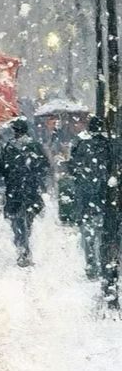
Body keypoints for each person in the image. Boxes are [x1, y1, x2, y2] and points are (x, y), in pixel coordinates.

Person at [0, 117, 50, 267]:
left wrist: (11, 176)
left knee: (17, 220)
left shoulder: (9, 147)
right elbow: (44, 166)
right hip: (30, 189)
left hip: (15, 189)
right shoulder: (34, 146)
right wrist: (35, 177)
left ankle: (22, 246)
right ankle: (24, 246)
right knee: (27, 218)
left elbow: (2, 168)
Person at [65, 116, 110, 280]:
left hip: (85, 195)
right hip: (103, 196)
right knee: (101, 231)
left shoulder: (79, 143)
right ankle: (102, 262)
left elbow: (72, 167)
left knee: (88, 232)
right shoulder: (108, 144)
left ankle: (91, 264)